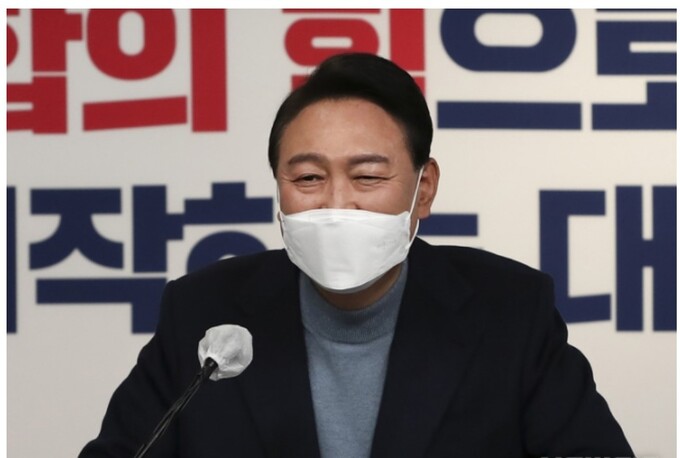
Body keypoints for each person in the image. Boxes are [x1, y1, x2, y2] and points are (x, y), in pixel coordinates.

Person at [80, 53, 634, 458]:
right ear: (278, 187)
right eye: (308, 177)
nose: (336, 202)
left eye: (367, 176)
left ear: (423, 189)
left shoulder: (509, 310)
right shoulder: (202, 311)